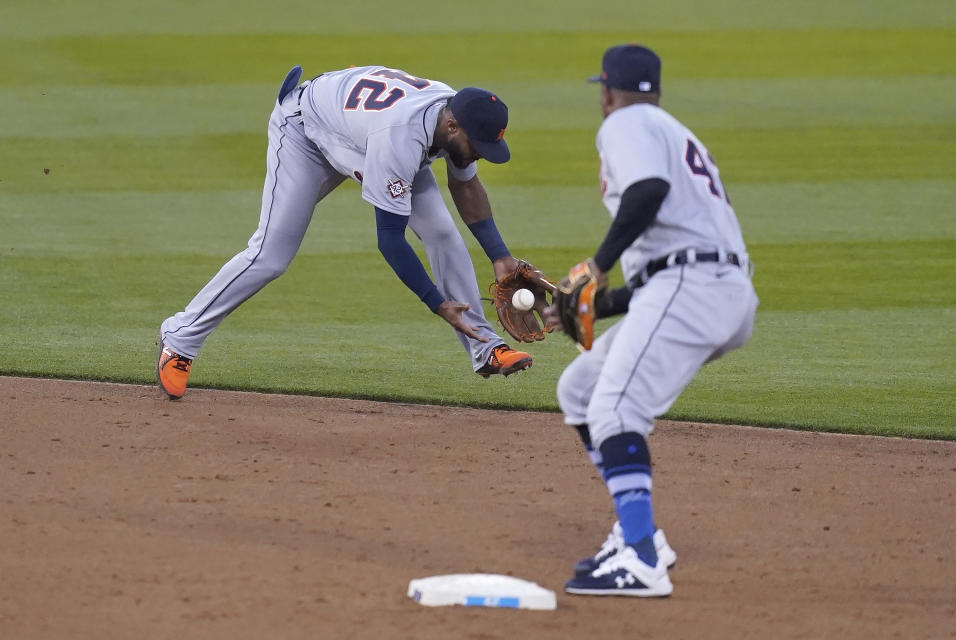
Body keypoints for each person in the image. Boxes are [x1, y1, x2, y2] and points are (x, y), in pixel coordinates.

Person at [157, 65, 536, 399]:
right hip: (305, 133)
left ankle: (486, 348)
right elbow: (390, 239)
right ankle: (180, 338)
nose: (482, 154)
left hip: (361, 133)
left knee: (442, 233)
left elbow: (466, 187)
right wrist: (436, 302)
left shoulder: (454, 117)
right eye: (480, 147)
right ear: (452, 126)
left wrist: (500, 256)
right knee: (270, 255)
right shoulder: (402, 138)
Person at [549, 44, 759, 597]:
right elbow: (660, 262)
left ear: (610, 91)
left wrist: (595, 265)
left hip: (692, 287)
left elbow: (648, 192)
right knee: (581, 389)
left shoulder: (626, 123)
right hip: (707, 287)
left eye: (602, 89)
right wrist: (593, 301)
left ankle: (641, 561)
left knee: (617, 408)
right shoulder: (669, 128)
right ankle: (639, 532)